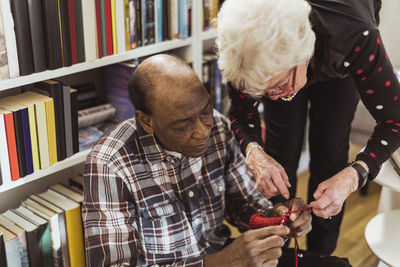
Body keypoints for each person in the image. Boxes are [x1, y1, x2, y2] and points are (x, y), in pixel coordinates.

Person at [81, 54, 351, 266]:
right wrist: (220, 263)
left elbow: (243, 205)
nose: (202, 131)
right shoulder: (109, 165)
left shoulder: (219, 128)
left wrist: (276, 216)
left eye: (206, 111)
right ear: (147, 121)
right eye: (183, 123)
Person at [216, 0, 400, 255]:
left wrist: (353, 175)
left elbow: (395, 121)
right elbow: (240, 112)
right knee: (279, 153)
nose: (272, 96)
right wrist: (254, 152)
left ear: (303, 56)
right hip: (287, 57)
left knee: (331, 156)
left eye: (278, 86)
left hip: (340, 49)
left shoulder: (357, 34)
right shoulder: (241, 35)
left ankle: (320, 256)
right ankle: (278, 252)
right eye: (261, 91)